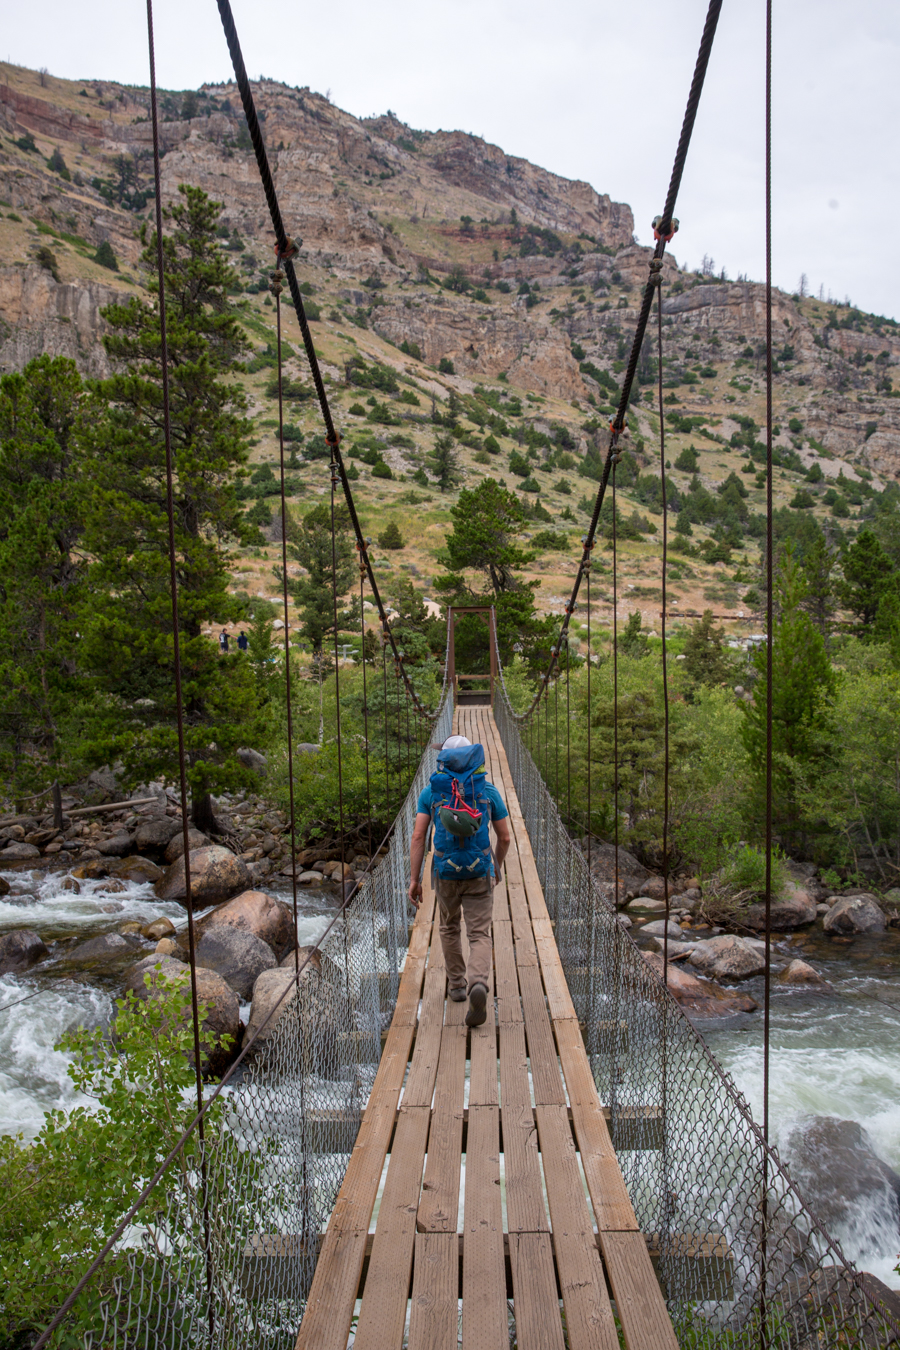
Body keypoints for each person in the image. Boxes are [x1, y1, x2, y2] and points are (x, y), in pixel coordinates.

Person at [408, 734, 510, 1027]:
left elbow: (418, 837)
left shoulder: (432, 792)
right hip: (480, 870)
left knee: (449, 926)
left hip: (445, 872)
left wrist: (415, 880)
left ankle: (456, 986)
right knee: (479, 933)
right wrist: (496, 867)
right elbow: (504, 837)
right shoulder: (487, 791)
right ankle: (479, 982)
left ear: (444, 761)